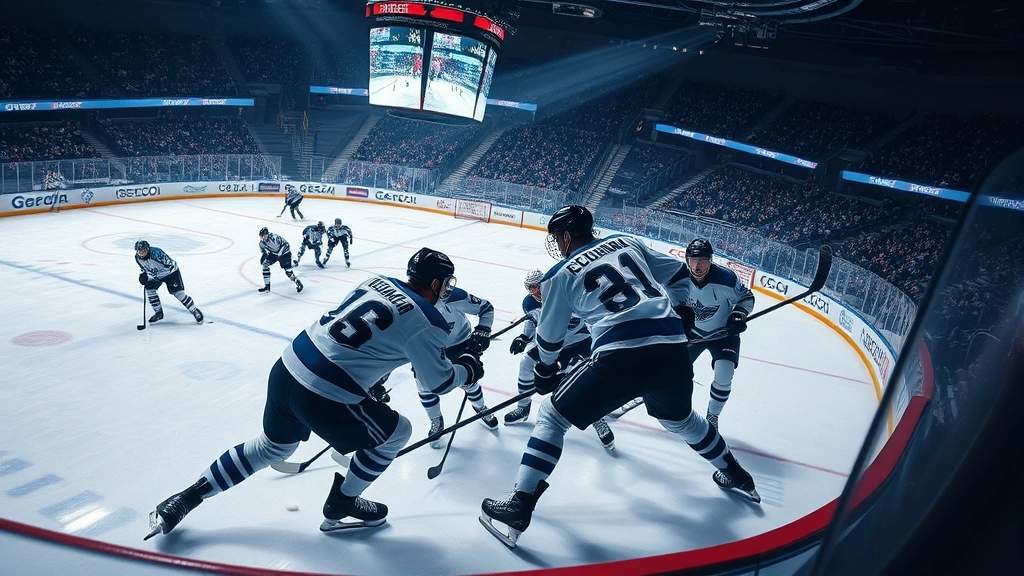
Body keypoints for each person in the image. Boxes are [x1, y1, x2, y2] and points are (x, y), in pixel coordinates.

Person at [145, 248, 485, 539]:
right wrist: (469, 364)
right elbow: (440, 382)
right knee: (398, 433)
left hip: (287, 366)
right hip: (326, 391)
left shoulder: (375, 281)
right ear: (438, 283)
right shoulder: (428, 320)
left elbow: (366, 340)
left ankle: (185, 498)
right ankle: (343, 502)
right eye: (446, 284)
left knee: (271, 447)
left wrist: (368, 384)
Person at [479, 206, 759, 549]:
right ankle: (736, 473)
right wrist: (683, 309)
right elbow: (679, 274)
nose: (556, 243)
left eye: (556, 237)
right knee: (682, 421)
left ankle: (520, 504)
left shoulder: (559, 275)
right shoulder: (627, 242)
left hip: (619, 354)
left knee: (552, 416)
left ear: (566, 237)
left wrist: (544, 371)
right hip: (672, 349)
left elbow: (549, 340)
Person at [505, 269, 614, 451]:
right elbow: (532, 319)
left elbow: (592, 318)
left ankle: (597, 418)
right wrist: (524, 337)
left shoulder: (567, 293)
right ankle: (523, 408)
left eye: (539, 287)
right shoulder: (529, 303)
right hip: (551, 341)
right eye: (532, 289)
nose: (537, 292)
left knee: (580, 380)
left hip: (578, 340)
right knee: (526, 363)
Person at [664, 239, 755, 429]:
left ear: (711, 260)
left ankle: (712, 417)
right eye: (693, 259)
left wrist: (738, 314)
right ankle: (679, 411)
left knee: (724, 376)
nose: (697, 265)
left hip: (724, 333)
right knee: (674, 374)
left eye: (703, 260)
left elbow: (747, 297)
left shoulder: (727, 280)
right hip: (692, 333)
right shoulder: (677, 279)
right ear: (687, 259)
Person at [417, 285, 498, 448]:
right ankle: (436, 420)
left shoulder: (453, 296)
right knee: (425, 386)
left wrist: (482, 330)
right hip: (428, 348)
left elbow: (486, 307)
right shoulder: (410, 304)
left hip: (459, 342)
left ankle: (480, 408)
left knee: (468, 380)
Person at [135, 240, 204, 325]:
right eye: (139, 251)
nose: (141, 253)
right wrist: (145, 277)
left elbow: (170, 266)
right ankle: (158, 313)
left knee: (178, 293)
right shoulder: (137, 258)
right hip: (157, 275)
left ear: (147, 249)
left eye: (143, 250)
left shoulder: (157, 253)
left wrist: (154, 276)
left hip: (171, 273)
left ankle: (194, 310)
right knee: (150, 289)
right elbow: (145, 269)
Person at [258, 227, 303, 293]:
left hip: (285, 254)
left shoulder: (275, 237)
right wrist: (265, 256)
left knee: (288, 272)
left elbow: (286, 244)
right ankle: (267, 287)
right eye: (262, 236)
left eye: (264, 236)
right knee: (265, 265)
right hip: (275, 254)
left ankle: (297, 282)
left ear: (267, 234)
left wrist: (279, 254)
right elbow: (264, 251)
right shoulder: (261, 243)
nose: (263, 238)